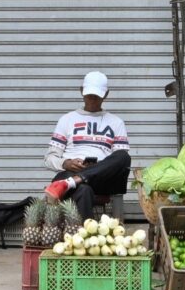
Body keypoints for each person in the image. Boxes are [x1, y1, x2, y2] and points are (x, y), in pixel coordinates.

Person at [43, 71, 131, 219]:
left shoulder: (116, 122)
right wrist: (66, 163)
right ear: (81, 91)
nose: (92, 99)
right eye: (89, 95)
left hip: (102, 179)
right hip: (69, 174)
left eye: (97, 96)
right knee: (84, 190)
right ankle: (85, 239)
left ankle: (75, 180)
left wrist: (98, 168)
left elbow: (120, 163)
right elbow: (49, 158)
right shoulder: (67, 119)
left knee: (123, 156)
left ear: (106, 94)